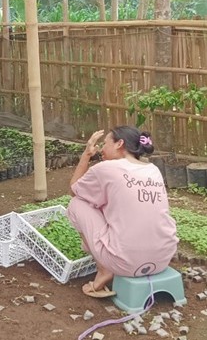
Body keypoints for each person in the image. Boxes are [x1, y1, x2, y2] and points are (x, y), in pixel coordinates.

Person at [67, 126, 178, 298]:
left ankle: (104, 270)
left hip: (125, 264)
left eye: (105, 144)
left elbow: (75, 190)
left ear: (119, 144)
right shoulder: (152, 169)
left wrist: (87, 155)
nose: (101, 149)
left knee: (76, 204)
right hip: (163, 259)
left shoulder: (106, 168)